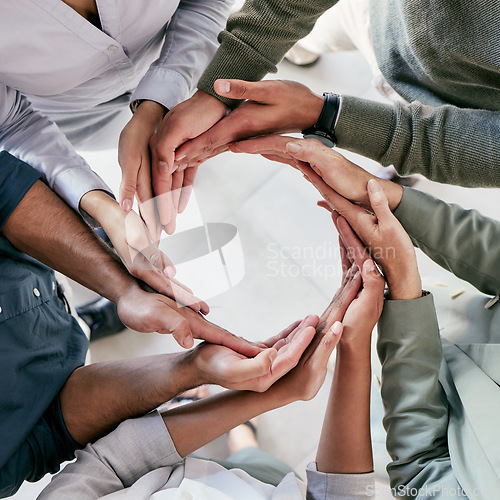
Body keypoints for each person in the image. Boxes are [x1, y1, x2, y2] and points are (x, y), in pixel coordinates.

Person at [0, 151, 315, 497]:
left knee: (72, 315)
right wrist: (195, 367)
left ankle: (89, 317)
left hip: (37, 287)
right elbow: (50, 429)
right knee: (255, 461)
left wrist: (121, 287)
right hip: (49, 329)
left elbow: (5, 183)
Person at [37, 218, 386, 499]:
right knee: (256, 462)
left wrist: (200, 369)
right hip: (268, 487)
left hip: (177, 474)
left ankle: (240, 432)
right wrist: (352, 346)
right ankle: (244, 436)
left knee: (246, 459)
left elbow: (110, 465)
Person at [233, 135, 500, 497]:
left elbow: (420, 469)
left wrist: (401, 292)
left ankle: (242, 437)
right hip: (459, 314)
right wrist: (386, 199)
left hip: (400, 406)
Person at [145, 0, 500, 227]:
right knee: (306, 39)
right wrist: (226, 80)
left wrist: (326, 114)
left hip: (455, 104)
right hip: (377, 15)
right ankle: (301, 49)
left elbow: (452, 144)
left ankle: (395, 163)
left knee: (406, 146)